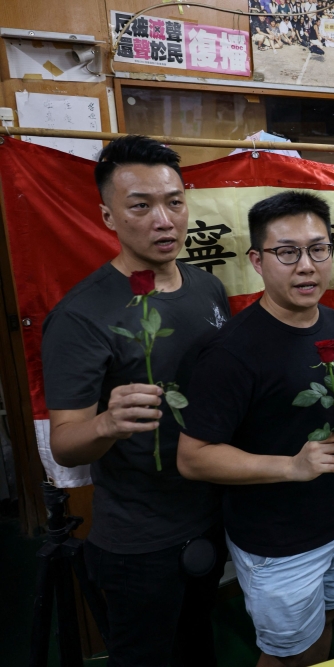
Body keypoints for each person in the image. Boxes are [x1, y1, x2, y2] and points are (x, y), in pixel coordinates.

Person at [41, 136, 230, 667]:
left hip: (210, 513)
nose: (163, 219)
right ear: (108, 216)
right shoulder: (81, 315)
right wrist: (106, 423)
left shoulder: (206, 288)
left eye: (174, 201)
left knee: (199, 648)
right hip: (139, 538)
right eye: (141, 205)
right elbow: (65, 445)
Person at [177, 192, 334, 667]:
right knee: (284, 657)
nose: (306, 265)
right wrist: (291, 466)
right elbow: (193, 456)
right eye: (287, 252)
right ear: (258, 261)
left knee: (325, 632)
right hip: (278, 544)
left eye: (318, 249)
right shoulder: (232, 352)